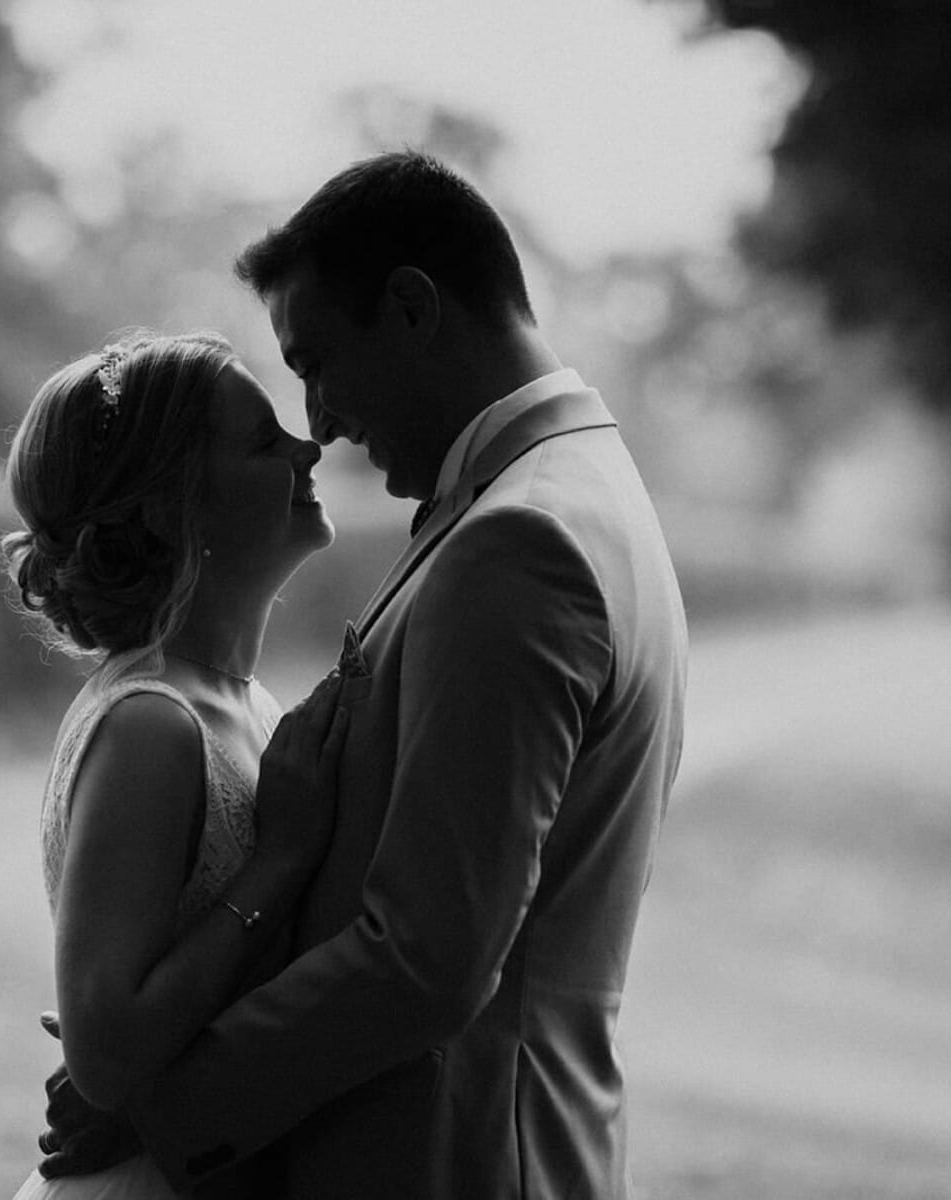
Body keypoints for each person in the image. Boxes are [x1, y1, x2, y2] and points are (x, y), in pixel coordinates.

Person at [42, 151, 689, 1198]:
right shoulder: (568, 496)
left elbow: (426, 956)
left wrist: (164, 1099)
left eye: (317, 362)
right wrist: (150, 1032)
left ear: (412, 308)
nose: (322, 423)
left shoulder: (518, 541)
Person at [1, 329, 349, 1199]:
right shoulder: (150, 726)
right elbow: (106, 1056)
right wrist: (279, 860)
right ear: (168, 510)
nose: (308, 447)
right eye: (264, 440)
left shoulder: (246, 703)